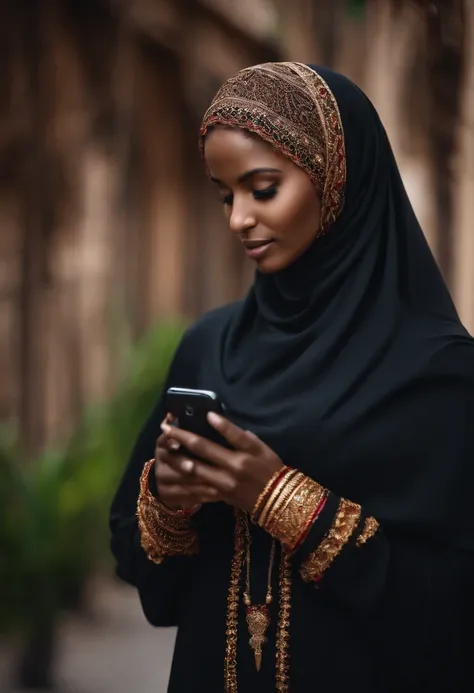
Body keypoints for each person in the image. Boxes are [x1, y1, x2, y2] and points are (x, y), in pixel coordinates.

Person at [109, 63, 474, 693]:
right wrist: (170, 500)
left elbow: (453, 609)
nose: (238, 220)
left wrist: (281, 499)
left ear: (337, 179)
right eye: (226, 196)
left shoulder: (440, 373)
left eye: (263, 188)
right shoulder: (209, 347)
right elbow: (147, 578)